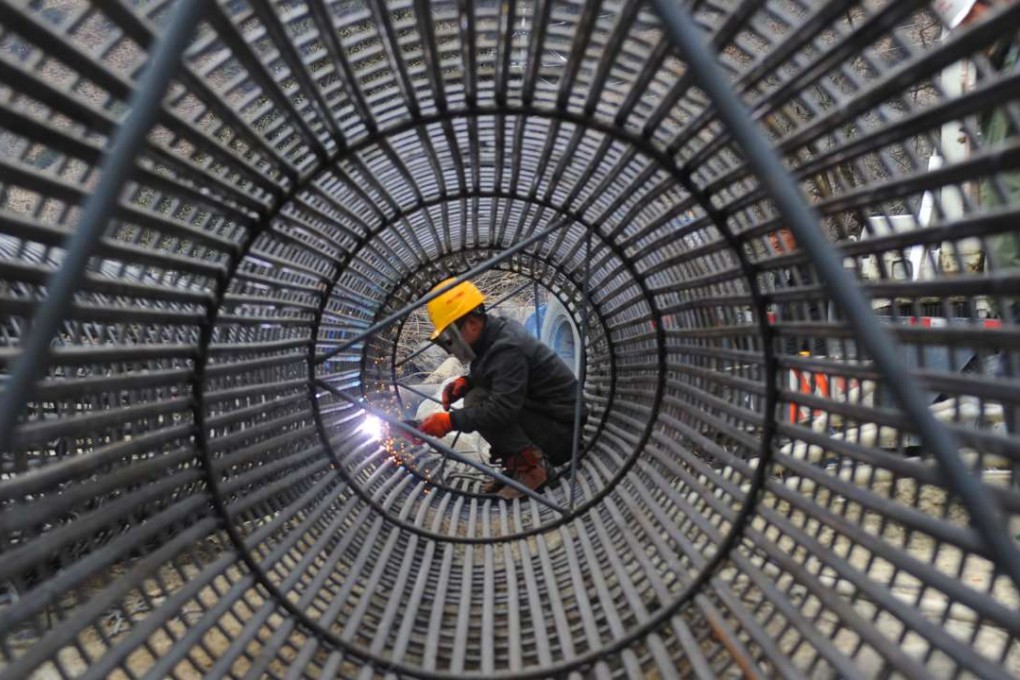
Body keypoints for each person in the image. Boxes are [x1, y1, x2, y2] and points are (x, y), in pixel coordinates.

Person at [416, 278, 585, 499]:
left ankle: (533, 470)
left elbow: (502, 409)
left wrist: (450, 422)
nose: (449, 349)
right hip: (552, 420)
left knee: (478, 402)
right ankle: (519, 465)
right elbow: (503, 377)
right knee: (475, 394)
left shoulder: (506, 348)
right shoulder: (495, 335)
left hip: (563, 433)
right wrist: (468, 382)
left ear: (472, 324)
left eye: (449, 338)